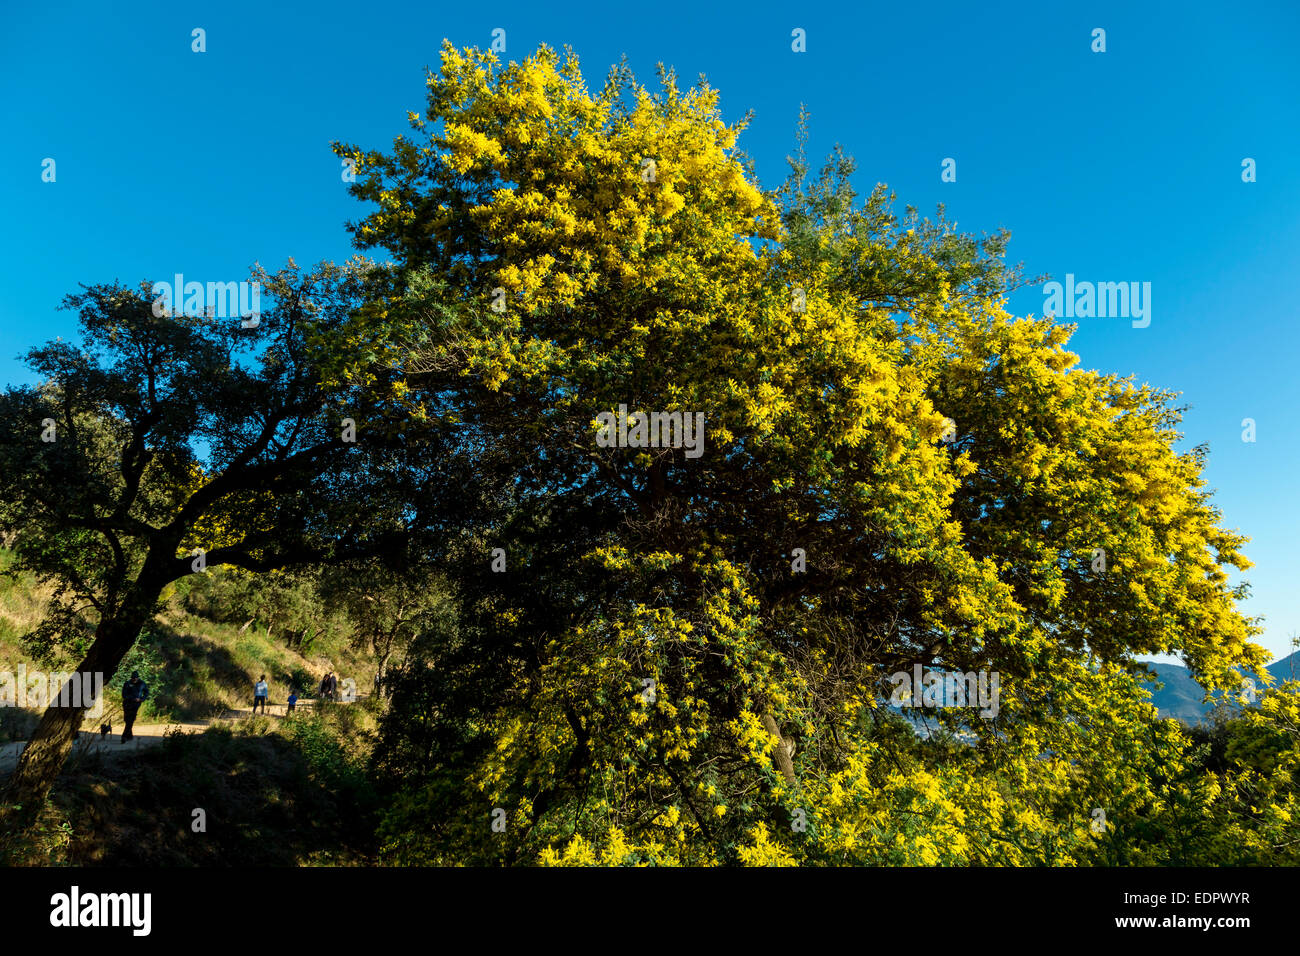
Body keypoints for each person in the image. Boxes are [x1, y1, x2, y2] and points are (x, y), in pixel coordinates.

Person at [121, 672, 149, 742]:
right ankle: (130, 735)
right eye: (133, 678)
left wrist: (141, 699)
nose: (134, 679)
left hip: (136, 704)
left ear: (138, 678)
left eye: (135, 678)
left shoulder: (142, 683)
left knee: (131, 719)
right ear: (131, 678)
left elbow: (146, 692)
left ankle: (124, 736)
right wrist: (130, 698)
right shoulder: (127, 683)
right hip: (127, 703)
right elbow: (123, 694)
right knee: (126, 719)